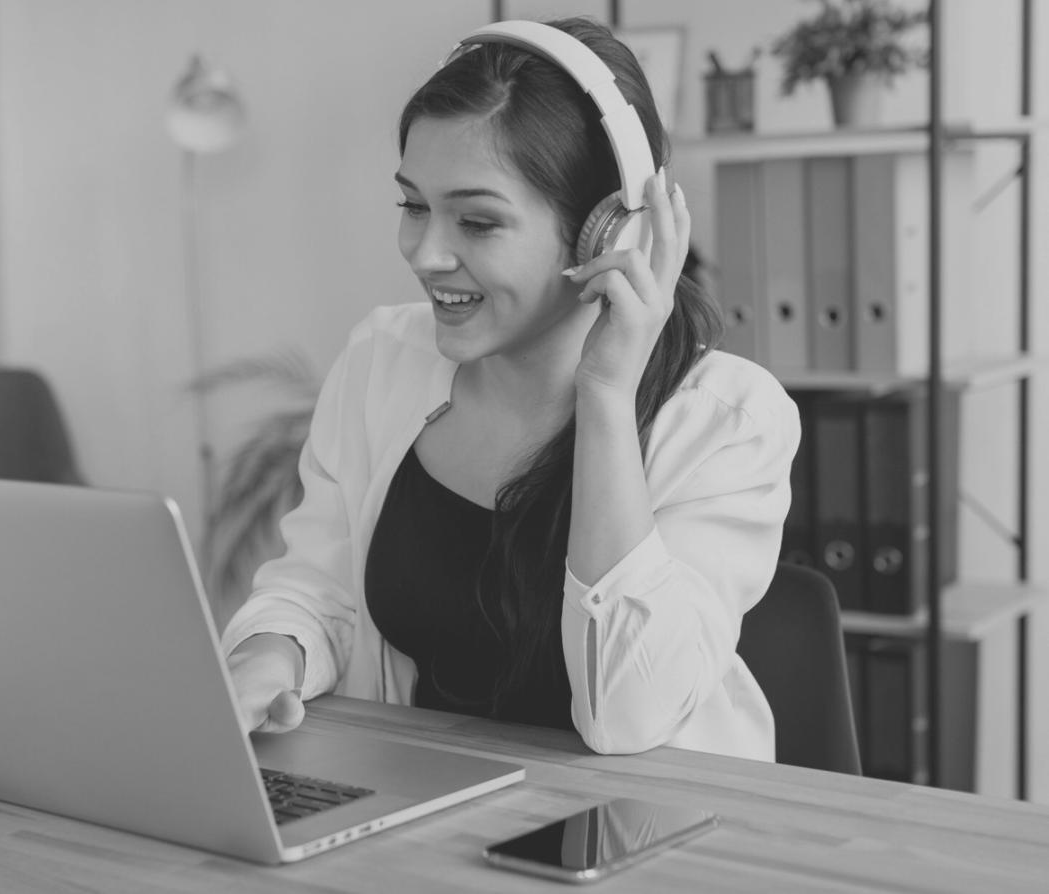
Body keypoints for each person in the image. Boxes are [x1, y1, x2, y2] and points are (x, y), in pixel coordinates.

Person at [219, 17, 799, 761]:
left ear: (608, 234)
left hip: (643, 837)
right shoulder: (383, 362)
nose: (426, 254)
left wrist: (607, 396)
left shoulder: (729, 421)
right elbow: (316, 588)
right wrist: (270, 656)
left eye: (478, 222)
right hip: (428, 817)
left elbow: (629, 714)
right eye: (414, 206)